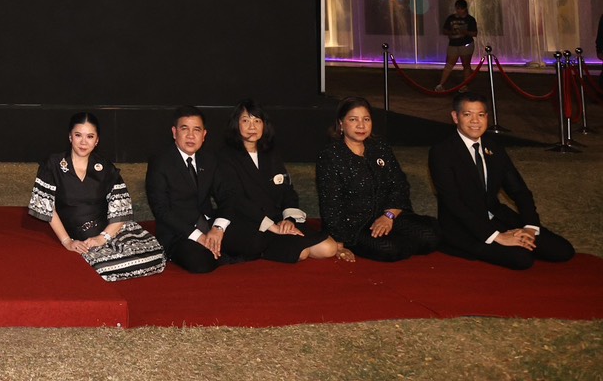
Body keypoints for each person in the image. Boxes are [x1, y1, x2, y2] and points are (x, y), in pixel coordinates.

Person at [428, 92, 574, 270]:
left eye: (481, 115)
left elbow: (519, 190)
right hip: (463, 225)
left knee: (562, 250)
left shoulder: (494, 147)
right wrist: (497, 236)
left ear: (487, 117)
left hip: (497, 216)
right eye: (467, 114)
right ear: (455, 117)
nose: (475, 121)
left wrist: (529, 227)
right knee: (522, 258)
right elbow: (453, 203)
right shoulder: (442, 152)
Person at [28, 111, 165, 281]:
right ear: (70, 137)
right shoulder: (53, 164)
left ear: (97, 140)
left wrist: (103, 237)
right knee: (100, 266)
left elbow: (120, 208)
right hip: (79, 237)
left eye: (90, 136)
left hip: (110, 230)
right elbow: (47, 207)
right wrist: (67, 241)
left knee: (154, 256)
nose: (83, 142)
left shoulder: (105, 167)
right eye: (78, 135)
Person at [218, 99, 351, 264]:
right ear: (236, 125)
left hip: (277, 218)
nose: (252, 126)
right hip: (249, 222)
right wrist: (272, 226)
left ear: (264, 125)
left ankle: (285, 240)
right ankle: (269, 247)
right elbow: (236, 200)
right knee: (302, 252)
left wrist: (289, 220)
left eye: (257, 121)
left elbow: (287, 190)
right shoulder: (226, 156)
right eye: (246, 121)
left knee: (329, 248)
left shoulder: (270, 153)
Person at [315, 96, 438, 262]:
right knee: (389, 249)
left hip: (386, 214)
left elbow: (399, 184)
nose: (361, 125)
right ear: (341, 124)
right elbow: (331, 203)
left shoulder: (380, 147)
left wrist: (389, 216)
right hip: (355, 226)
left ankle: (399, 239)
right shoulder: (331, 156)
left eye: (366, 119)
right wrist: (339, 243)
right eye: (353, 119)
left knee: (431, 235)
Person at [145, 105, 236, 273]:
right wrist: (198, 236)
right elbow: (161, 210)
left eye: (197, 130)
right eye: (184, 129)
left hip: (208, 223)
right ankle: (221, 255)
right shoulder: (160, 162)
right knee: (200, 262)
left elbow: (227, 195)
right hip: (178, 232)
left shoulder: (209, 158)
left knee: (250, 241)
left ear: (204, 135)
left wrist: (217, 229)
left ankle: (219, 252)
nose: (191, 136)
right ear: (174, 132)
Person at [435, 0, 478, 91]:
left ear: (465, 9)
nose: (458, 11)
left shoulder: (470, 19)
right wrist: (451, 32)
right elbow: (444, 30)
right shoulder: (451, 18)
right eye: (457, 8)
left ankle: (465, 85)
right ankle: (441, 85)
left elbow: (474, 33)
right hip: (453, 44)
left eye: (460, 9)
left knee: (466, 65)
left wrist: (465, 32)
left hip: (466, 44)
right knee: (449, 64)